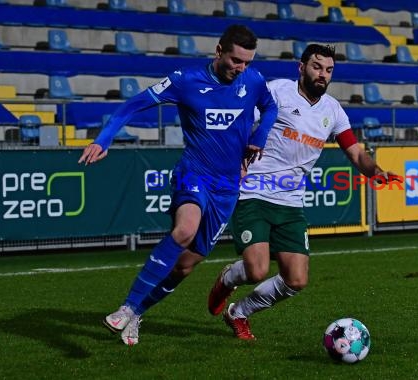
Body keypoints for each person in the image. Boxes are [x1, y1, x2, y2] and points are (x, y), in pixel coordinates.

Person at [152, 43, 400, 340]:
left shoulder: (333, 110)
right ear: (302, 67)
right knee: (256, 270)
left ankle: (239, 312)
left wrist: (375, 171)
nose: (323, 74)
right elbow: (238, 118)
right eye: (317, 67)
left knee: (296, 280)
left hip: (291, 202)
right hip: (253, 193)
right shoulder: (277, 92)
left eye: (329, 70)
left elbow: (357, 154)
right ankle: (227, 278)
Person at [78, 24, 278, 346]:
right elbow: (132, 105)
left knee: (184, 267)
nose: (241, 68)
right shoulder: (185, 80)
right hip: (194, 172)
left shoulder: (252, 81)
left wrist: (259, 135)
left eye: (247, 62)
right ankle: (126, 307)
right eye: (236, 61)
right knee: (184, 230)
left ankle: (137, 312)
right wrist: (104, 139)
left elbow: (270, 107)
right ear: (219, 52)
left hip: (227, 187)